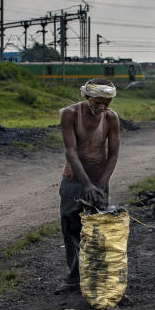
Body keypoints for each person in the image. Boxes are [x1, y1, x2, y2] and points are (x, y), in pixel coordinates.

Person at [57, 77, 120, 290]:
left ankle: (97, 278)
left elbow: (113, 155)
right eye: (97, 101)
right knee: (72, 227)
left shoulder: (111, 118)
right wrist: (86, 184)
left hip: (98, 181)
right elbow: (71, 152)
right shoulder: (70, 114)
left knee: (98, 230)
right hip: (74, 181)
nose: (102, 106)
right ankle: (75, 277)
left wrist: (100, 184)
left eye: (107, 102)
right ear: (86, 96)